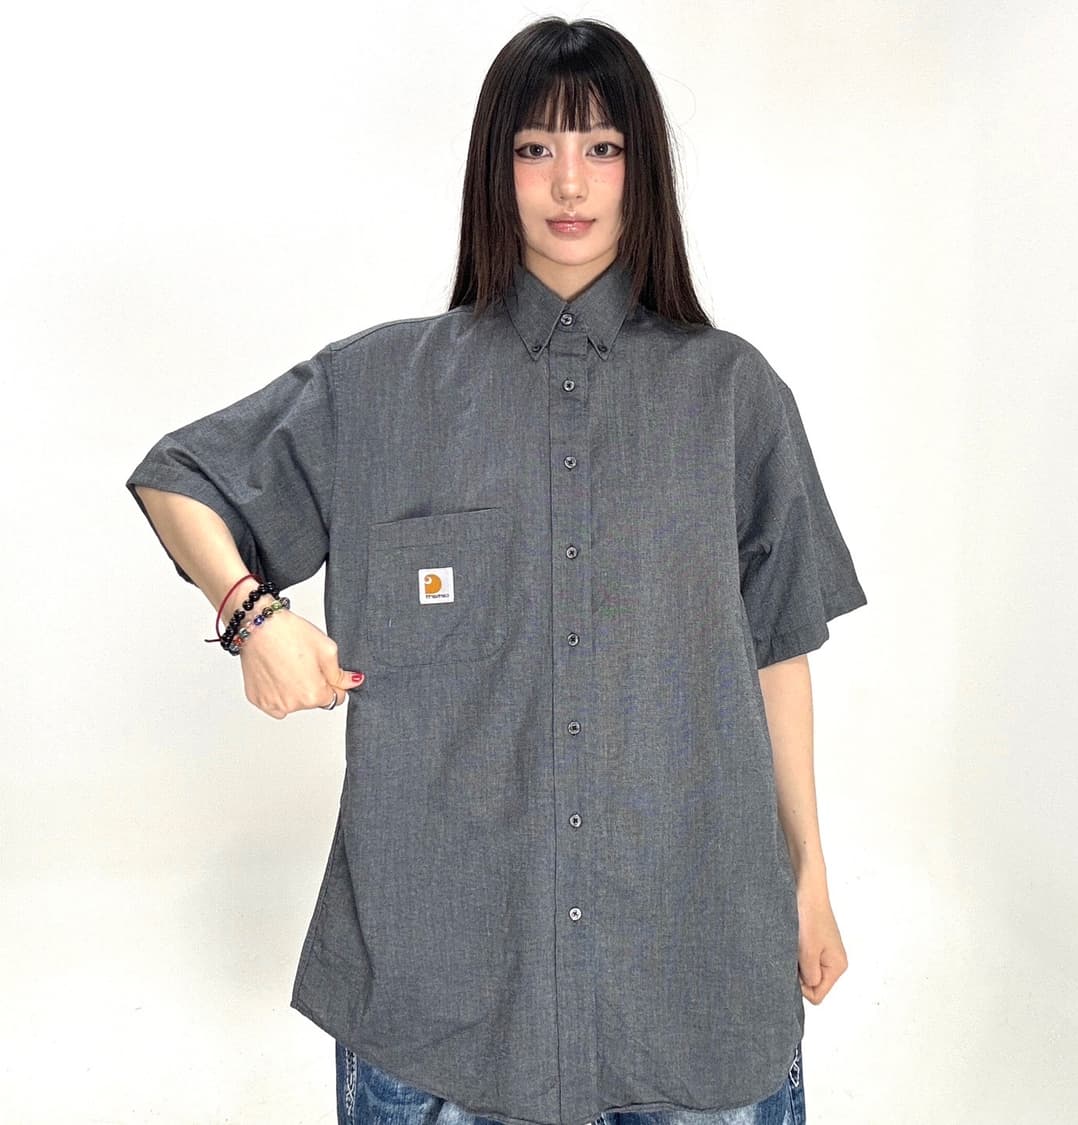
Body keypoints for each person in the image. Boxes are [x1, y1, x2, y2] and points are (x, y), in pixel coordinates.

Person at [127, 16, 867, 1125]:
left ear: (643, 171)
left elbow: (777, 648)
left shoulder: (733, 396)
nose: (569, 183)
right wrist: (251, 615)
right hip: (440, 996)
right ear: (494, 169)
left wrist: (808, 876)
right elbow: (179, 475)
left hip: (693, 974)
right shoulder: (381, 388)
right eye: (535, 148)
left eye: (603, 147)